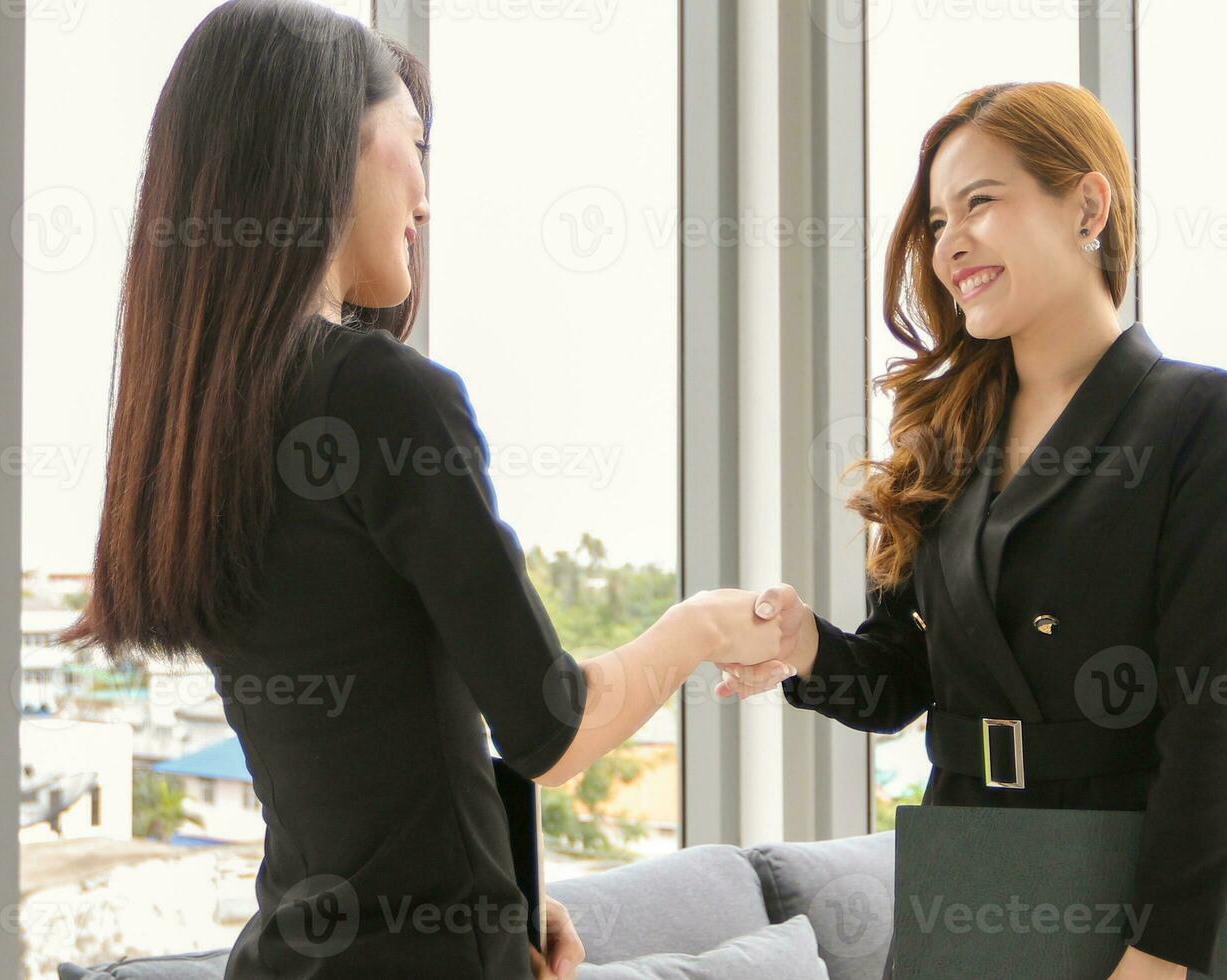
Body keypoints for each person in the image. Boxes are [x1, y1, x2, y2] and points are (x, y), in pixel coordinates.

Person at [59, 3, 796, 976]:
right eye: (413, 143)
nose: (425, 197)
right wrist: (700, 626)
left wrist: (505, 898)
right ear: (334, 147)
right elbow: (552, 725)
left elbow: (366, 757)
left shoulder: (203, 425)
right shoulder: (379, 391)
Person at [716, 81, 1227, 979]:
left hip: (1131, 883)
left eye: (980, 202)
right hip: (962, 863)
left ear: (1086, 206)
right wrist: (805, 648)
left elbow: (1212, 722)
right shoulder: (942, 439)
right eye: (938, 219)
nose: (948, 243)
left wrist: (1163, 951)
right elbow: (903, 685)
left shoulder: (1198, 417)